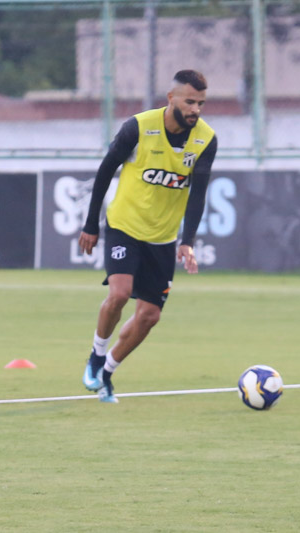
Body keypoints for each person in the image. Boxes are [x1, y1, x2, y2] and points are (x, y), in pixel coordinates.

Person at [78, 70, 218, 403]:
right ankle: (97, 355)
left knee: (150, 316)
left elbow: (197, 195)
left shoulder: (206, 140)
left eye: (200, 103)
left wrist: (188, 241)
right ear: (171, 98)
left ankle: (108, 373)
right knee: (121, 293)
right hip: (124, 226)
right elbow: (105, 170)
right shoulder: (138, 127)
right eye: (189, 101)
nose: (195, 109)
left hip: (163, 238)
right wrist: (91, 224)